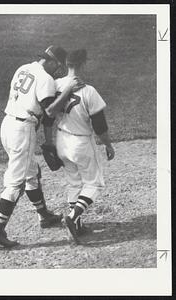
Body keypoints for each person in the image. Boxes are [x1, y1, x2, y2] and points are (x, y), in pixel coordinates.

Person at [0, 45, 83, 248]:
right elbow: (49, 110)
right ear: (50, 61)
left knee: (31, 172)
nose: (57, 70)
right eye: (57, 65)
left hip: (7, 125)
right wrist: (67, 90)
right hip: (22, 130)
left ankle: (44, 215)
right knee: (15, 183)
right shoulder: (45, 79)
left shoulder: (23, 68)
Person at [54, 49, 115, 244]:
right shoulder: (88, 90)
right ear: (84, 64)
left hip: (61, 141)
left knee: (74, 182)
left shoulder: (55, 85)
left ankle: (78, 226)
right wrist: (108, 145)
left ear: (66, 64)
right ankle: (72, 218)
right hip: (81, 143)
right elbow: (100, 126)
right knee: (94, 183)